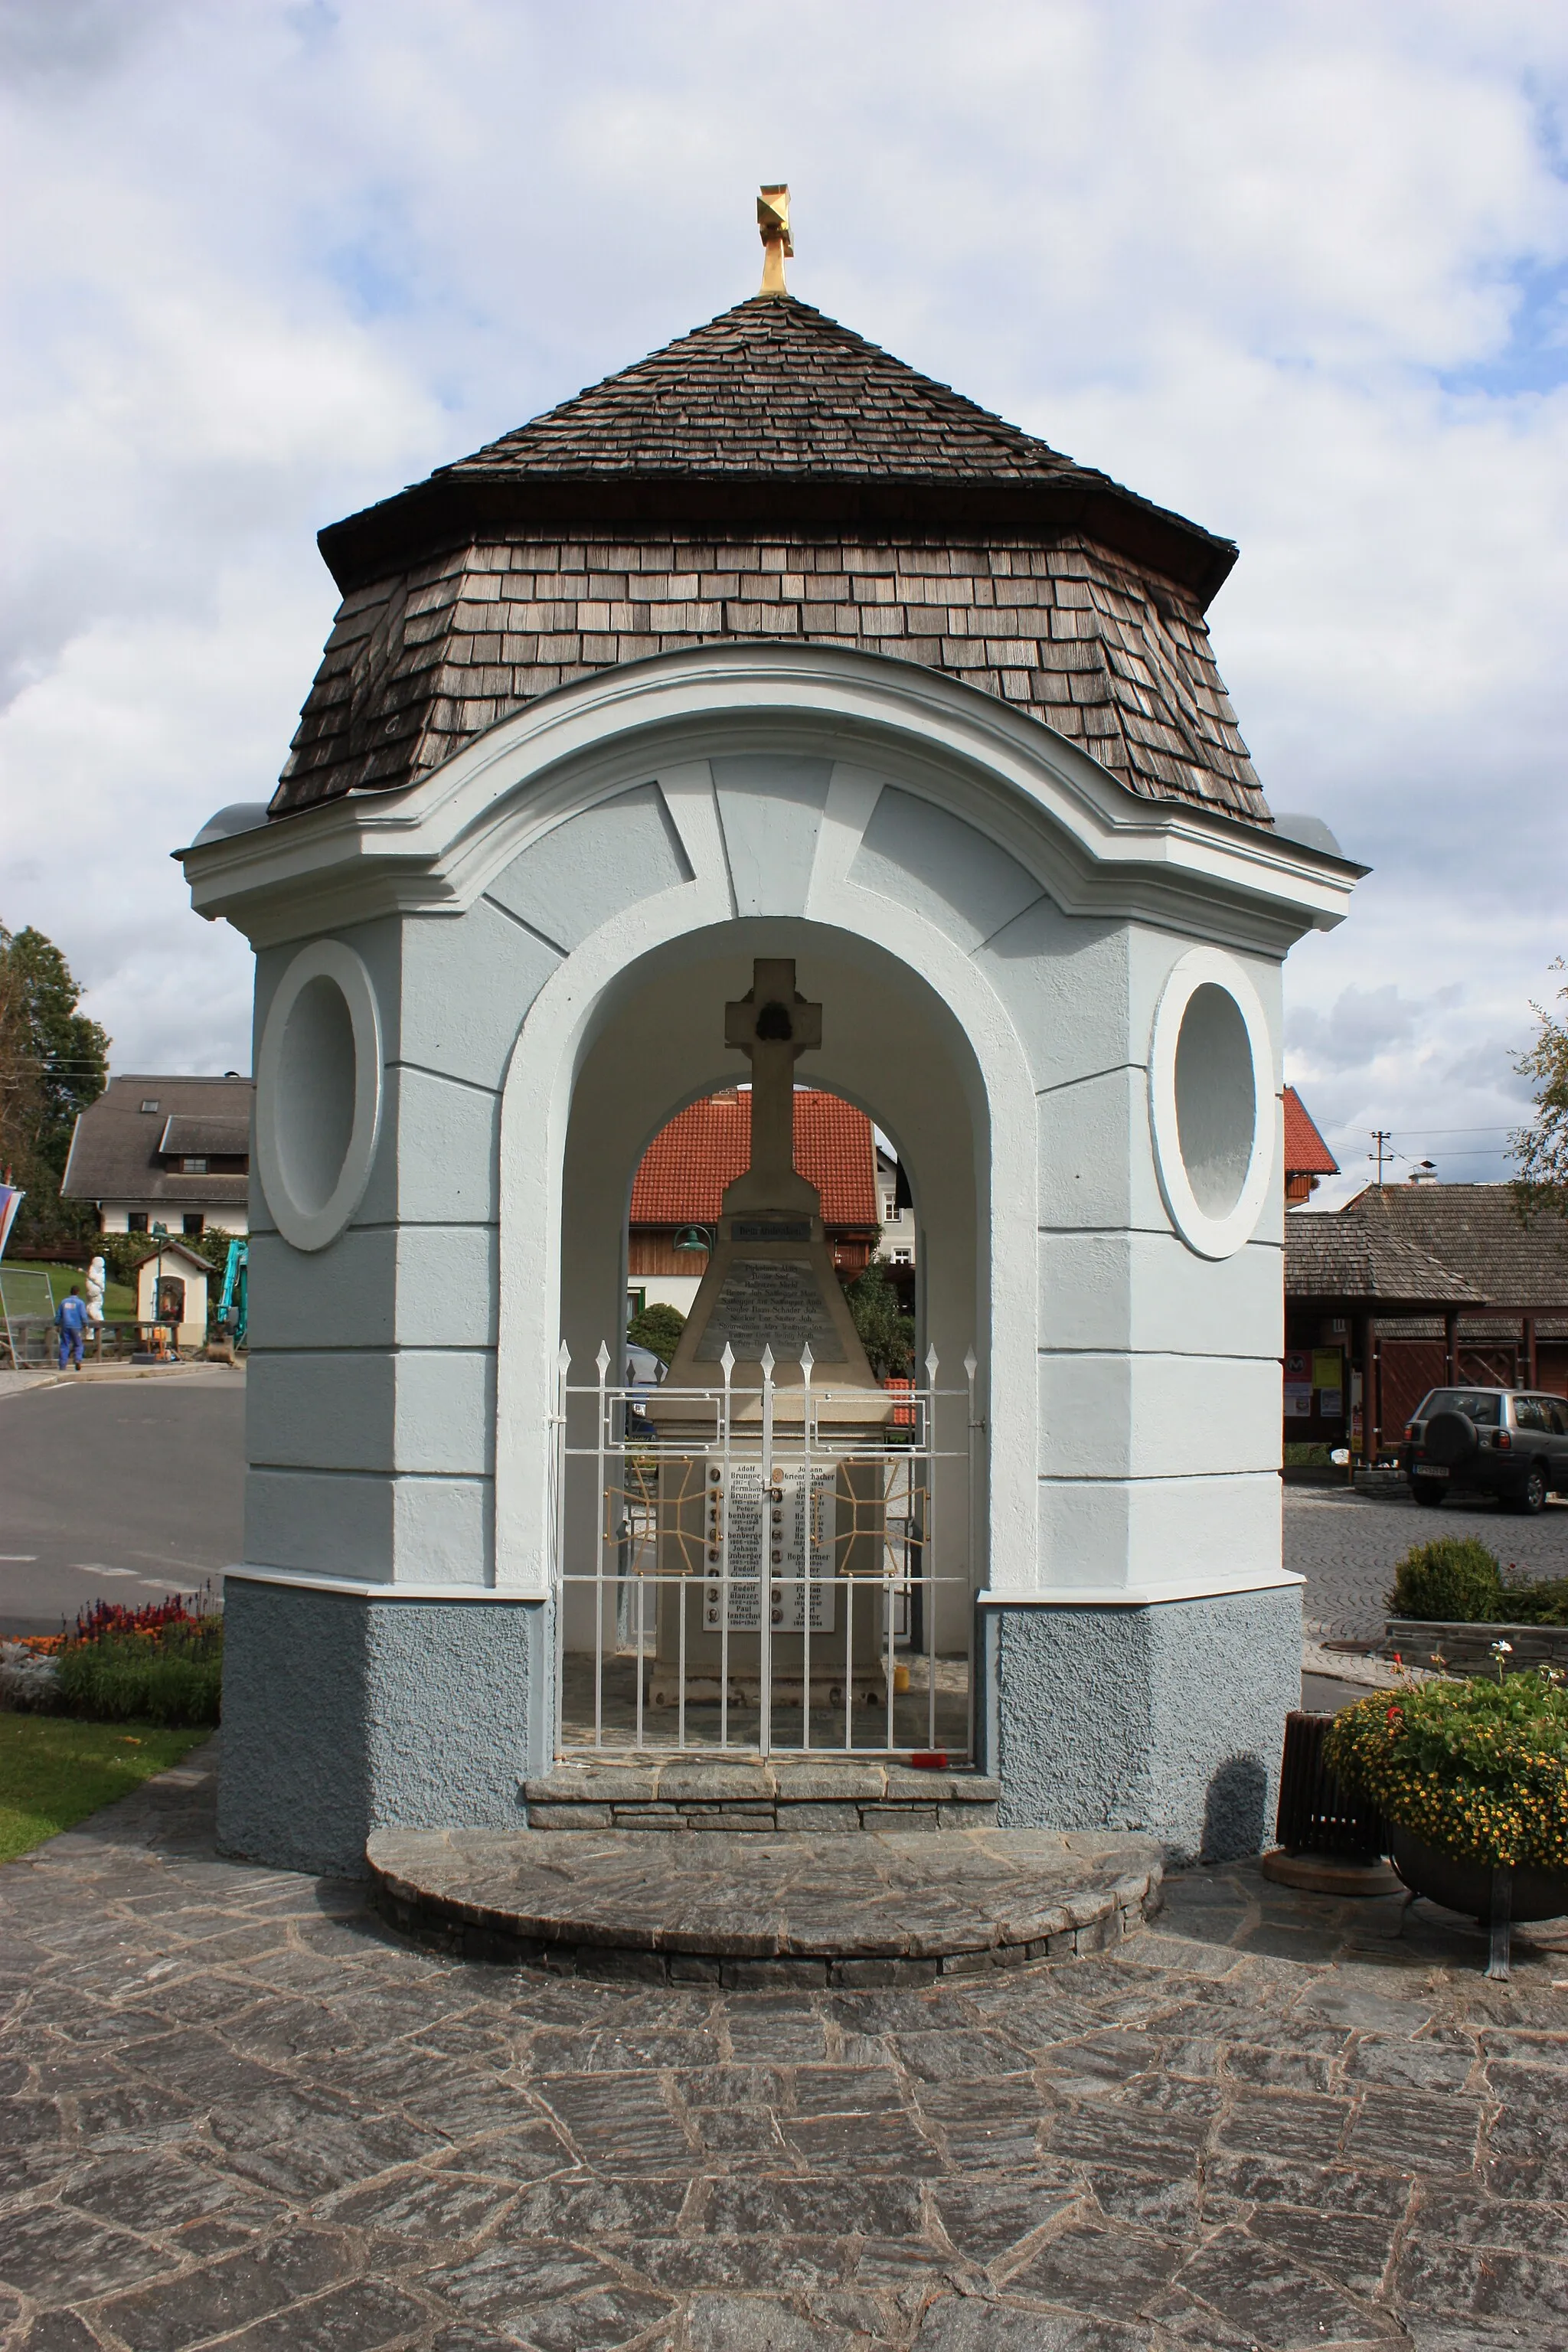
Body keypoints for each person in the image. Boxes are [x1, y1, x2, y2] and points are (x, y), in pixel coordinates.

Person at [54, 1284, 90, 1371]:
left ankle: (62, 1365)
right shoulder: (80, 1303)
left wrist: (57, 1324)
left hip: (65, 1326)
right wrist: (85, 1325)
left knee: (64, 1345)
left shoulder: (64, 1302)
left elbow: (59, 1314)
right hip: (76, 1326)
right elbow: (83, 1315)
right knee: (78, 1344)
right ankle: (77, 1359)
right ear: (78, 1292)